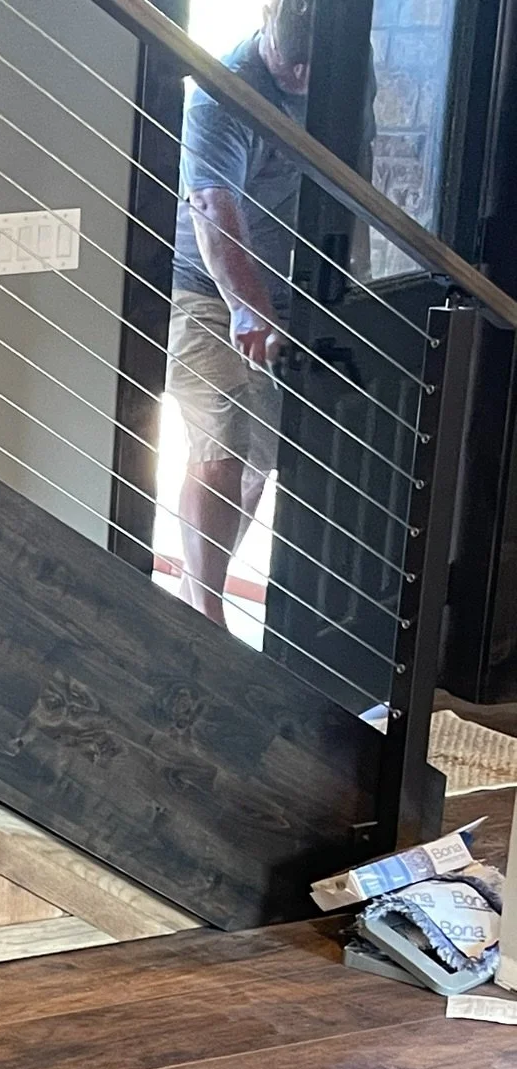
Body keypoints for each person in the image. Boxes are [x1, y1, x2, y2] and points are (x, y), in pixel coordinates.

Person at [167, 0, 314, 625]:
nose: (303, 78)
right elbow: (211, 207)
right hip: (205, 291)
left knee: (263, 456)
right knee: (220, 448)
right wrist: (247, 309)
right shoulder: (220, 93)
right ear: (266, 30)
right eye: (290, 63)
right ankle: (202, 617)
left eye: (314, 65)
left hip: (288, 291)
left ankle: (206, 585)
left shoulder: (343, 64)